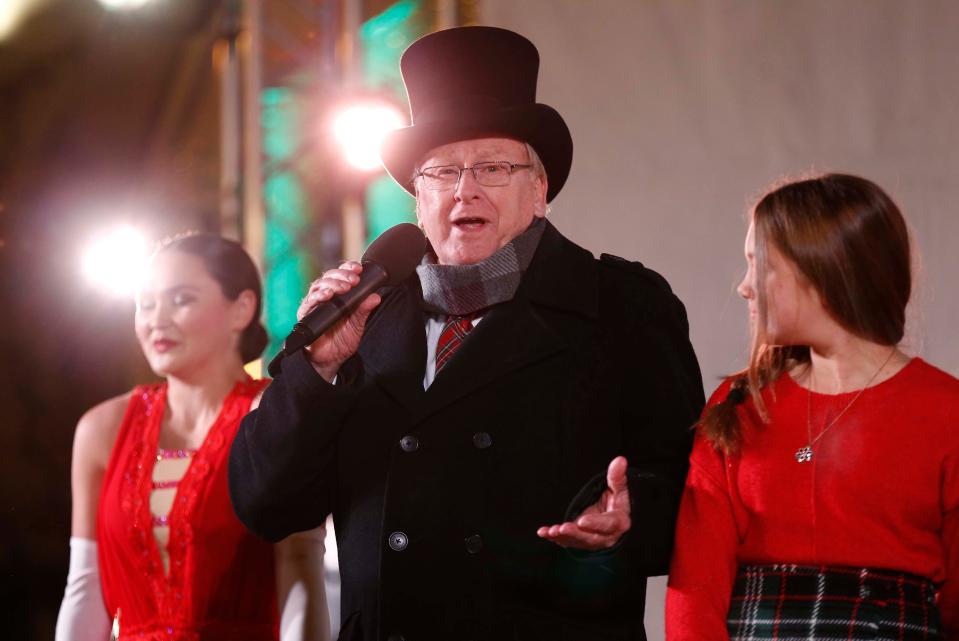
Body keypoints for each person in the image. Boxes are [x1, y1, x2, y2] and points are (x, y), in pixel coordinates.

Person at [229, 26, 703, 641]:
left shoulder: (619, 306)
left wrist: (632, 516)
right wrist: (317, 370)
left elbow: (693, 488)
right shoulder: (365, 317)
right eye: (442, 171)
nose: (465, 189)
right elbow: (266, 506)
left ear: (540, 192)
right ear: (417, 201)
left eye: (493, 167)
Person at [665, 173, 959, 640]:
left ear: (823, 269)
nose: (743, 287)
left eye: (758, 264)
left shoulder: (946, 413)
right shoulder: (739, 405)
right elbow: (695, 589)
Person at [55, 233, 330, 641]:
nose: (156, 319)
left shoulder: (275, 416)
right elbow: (84, 587)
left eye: (180, 300)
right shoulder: (102, 429)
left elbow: (301, 570)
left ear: (241, 309)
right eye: (144, 304)